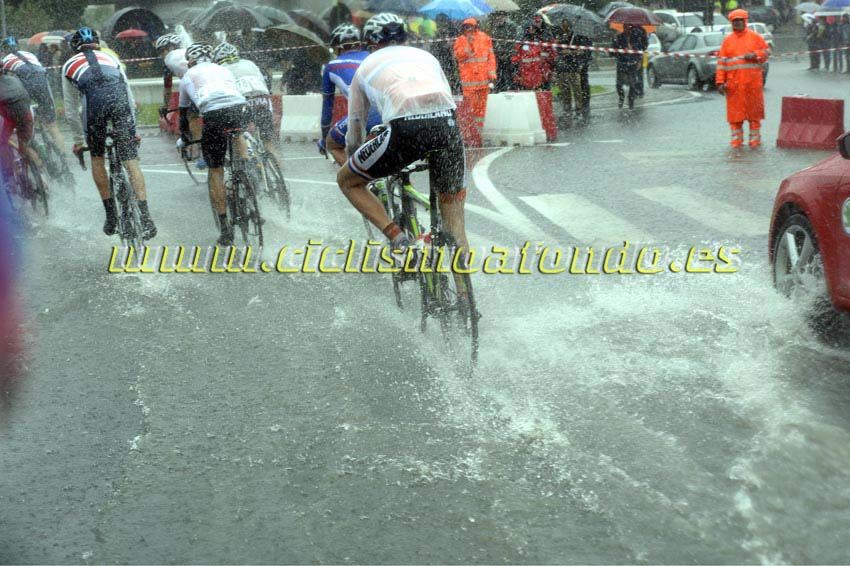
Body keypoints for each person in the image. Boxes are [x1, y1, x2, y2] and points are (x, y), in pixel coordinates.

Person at [337, 13, 469, 274]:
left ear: (371, 43)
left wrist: (356, 160)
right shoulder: (427, 57)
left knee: (346, 180)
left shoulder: (364, 67)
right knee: (454, 218)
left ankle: (399, 239)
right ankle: (466, 296)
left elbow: (355, 128)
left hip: (404, 128)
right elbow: (447, 98)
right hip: (447, 124)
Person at [62, 27, 156, 239]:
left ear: (74, 47)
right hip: (119, 100)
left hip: (94, 104)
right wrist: (134, 130)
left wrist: (79, 141)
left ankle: (111, 215)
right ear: (98, 43)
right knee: (131, 160)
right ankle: (146, 217)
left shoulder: (68, 64)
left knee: (97, 157)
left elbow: (70, 109)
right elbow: (128, 94)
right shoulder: (110, 57)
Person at [177, 43, 248, 246]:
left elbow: (184, 114)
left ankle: (225, 229)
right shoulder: (223, 69)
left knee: (215, 170)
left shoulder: (187, 77)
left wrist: (186, 137)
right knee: (237, 135)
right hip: (239, 108)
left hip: (214, 114)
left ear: (190, 61)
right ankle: (247, 174)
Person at [212, 42, 284, 174]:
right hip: (263, 98)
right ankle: (279, 175)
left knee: (237, 134)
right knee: (268, 140)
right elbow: (265, 82)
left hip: (242, 99)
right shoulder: (249, 63)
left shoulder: (220, 68)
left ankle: (250, 165)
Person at [319, 23, 380, 165]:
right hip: (391, 110)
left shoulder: (332, 66)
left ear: (338, 47)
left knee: (332, 144)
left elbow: (327, 109)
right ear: (359, 44)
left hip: (366, 115)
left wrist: (324, 137)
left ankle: (357, 180)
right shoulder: (374, 56)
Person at [1, 37, 65, 167]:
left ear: (4, 50)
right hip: (42, 81)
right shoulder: (29, 54)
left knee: (24, 123)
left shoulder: (6, 61)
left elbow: (8, 83)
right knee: (52, 125)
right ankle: (64, 158)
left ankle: (37, 161)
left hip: (24, 87)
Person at [716, 9, 769, 149]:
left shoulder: (755, 37)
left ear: (745, 21)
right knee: (735, 117)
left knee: (754, 115)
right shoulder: (727, 41)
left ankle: (755, 142)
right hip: (734, 86)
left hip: (752, 84)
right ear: (731, 23)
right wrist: (720, 82)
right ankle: (736, 142)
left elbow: (766, 52)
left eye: (740, 20)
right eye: (735, 21)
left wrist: (756, 54)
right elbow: (722, 63)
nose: (738, 23)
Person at [154, 33, 205, 168]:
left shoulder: (169, 60)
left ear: (168, 48)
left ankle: (202, 153)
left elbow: (168, 88)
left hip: (197, 86)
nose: (161, 55)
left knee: (191, 116)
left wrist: (165, 106)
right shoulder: (189, 52)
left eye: (161, 51)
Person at [453, 18, 496, 137]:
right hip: (469, 83)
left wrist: (492, 73)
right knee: (470, 109)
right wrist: (469, 44)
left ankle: (479, 133)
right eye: (466, 27)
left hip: (483, 81)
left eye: (470, 26)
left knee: (481, 110)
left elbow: (491, 57)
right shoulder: (460, 40)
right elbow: (459, 56)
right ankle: (469, 133)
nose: (468, 29)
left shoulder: (485, 38)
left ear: (476, 27)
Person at [0, 70, 42, 170]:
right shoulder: (15, 80)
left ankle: (9, 172)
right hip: (26, 114)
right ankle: (40, 174)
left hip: (8, 118)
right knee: (24, 144)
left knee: (2, 143)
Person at [552, 21, 592, 123]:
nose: (565, 28)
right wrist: (562, 51)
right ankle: (567, 109)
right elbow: (557, 50)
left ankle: (578, 110)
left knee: (577, 91)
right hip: (562, 69)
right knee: (565, 91)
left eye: (566, 26)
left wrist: (571, 52)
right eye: (563, 25)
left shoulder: (577, 38)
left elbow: (582, 51)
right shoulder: (560, 38)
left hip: (574, 68)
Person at [512, 13, 557, 91]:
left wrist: (550, 67)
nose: (531, 29)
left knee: (542, 94)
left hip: (541, 72)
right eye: (529, 28)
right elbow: (516, 56)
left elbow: (552, 54)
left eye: (538, 21)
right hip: (525, 73)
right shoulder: (522, 41)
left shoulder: (545, 37)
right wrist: (516, 70)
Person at [612, 24, 647, 109]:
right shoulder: (619, 37)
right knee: (619, 84)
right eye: (626, 27)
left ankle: (631, 102)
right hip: (622, 62)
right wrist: (619, 47)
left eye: (630, 28)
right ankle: (621, 97)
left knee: (632, 83)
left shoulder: (636, 37)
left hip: (632, 63)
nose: (628, 29)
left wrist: (638, 59)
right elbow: (612, 51)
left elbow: (641, 49)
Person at [486, 12, 520, 92]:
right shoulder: (494, 28)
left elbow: (512, 42)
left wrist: (507, 53)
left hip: (508, 56)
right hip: (498, 56)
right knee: (500, 75)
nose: (498, 18)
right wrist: (497, 53)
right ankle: (500, 89)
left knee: (509, 74)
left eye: (500, 16)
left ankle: (511, 89)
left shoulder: (511, 27)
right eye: (497, 16)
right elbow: (493, 42)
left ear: (504, 17)